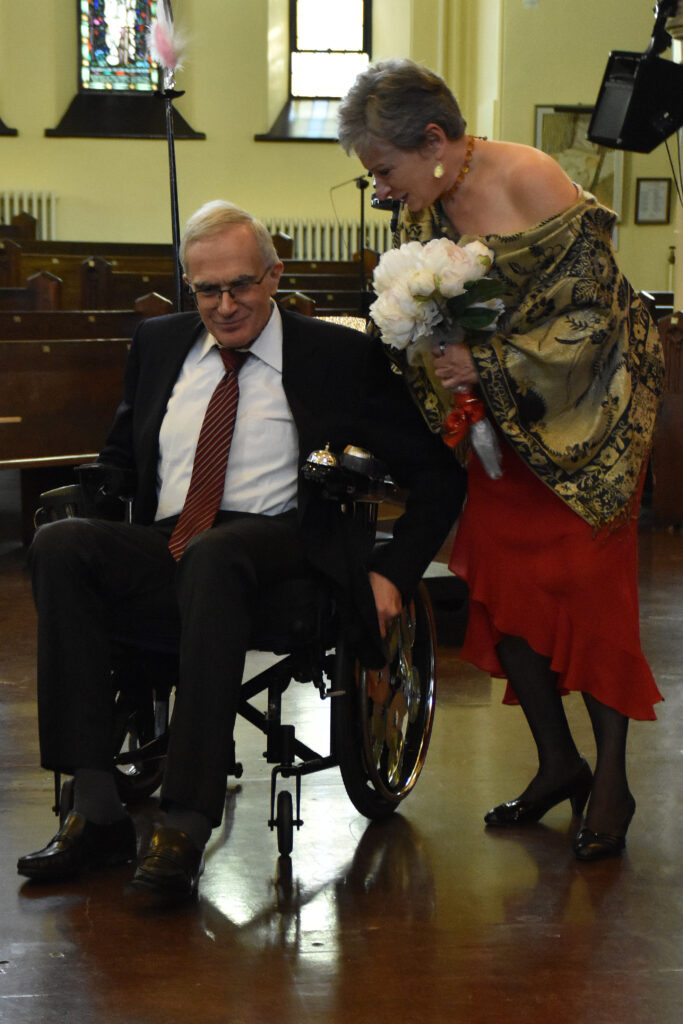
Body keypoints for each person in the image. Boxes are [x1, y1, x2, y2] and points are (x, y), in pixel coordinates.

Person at [17, 200, 465, 896]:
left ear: (274, 276)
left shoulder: (338, 356)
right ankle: (97, 808)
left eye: (241, 286)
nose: (225, 306)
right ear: (187, 286)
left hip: (281, 547)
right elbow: (119, 455)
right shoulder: (160, 344)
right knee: (62, 545)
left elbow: (437, 476)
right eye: (206, 290)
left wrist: (393, 572)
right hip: (172, 539)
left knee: (218, 554)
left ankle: (186, 819)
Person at [337, 59, 664, 861]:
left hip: (589, 421)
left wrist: (484, 365)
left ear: (437, 141)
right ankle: (557, 762)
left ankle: (613, 782)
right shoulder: (428, 205)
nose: (381, 190)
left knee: (590, 597)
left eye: (385, 170)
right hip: (502, 432)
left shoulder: (531, 180)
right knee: (502, 578)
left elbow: (593, 319)